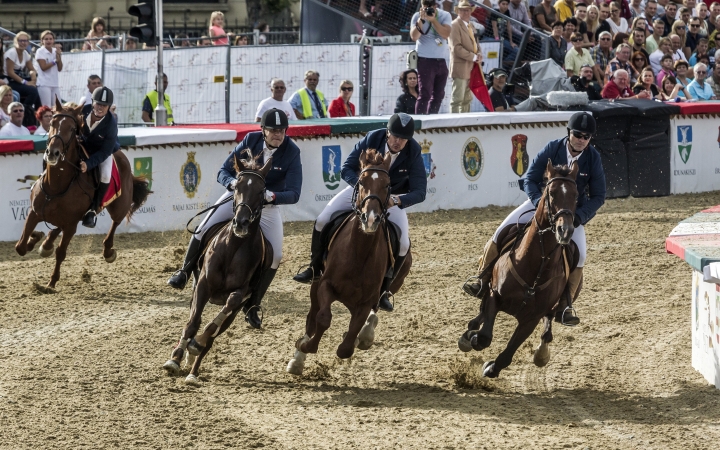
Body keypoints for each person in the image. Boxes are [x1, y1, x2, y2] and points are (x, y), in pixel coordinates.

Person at [463, 112, 606, 326]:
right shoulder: (552, 148)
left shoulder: (592, 158)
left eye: (586, 137)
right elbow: (530, 178)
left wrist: (579, 217)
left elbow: (598, 196)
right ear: (569, 133)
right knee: (500, 233)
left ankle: (566, 305)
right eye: (578, 134)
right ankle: (481, 279)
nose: (581, 140)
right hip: (541, 204)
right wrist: (541, 202)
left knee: (581, 255)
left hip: (569, 213)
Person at [167, 109, 301, 329]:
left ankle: (253, 305)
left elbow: (295, 193)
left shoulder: (291, 152)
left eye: (281, 130)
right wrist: (232, 184)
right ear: (263, 130)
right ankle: (184, 271)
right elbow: (223, 171)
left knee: (276, 255)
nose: (278, 134)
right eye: (273, 130)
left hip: (266, 205)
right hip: (237, 198)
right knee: (202, 228)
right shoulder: (250, 140)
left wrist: (272, 196)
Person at [292, 113, 426, 313]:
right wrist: (366, 190)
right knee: (322, 220)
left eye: (403, 138)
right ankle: (314, 267)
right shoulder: (373, 138)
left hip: (391, 198)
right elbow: (346, 168)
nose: (398, 142)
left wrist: (396, 200)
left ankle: (384, 290)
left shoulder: (413, 151)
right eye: (395, 136)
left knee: (404, 244)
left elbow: (420, 192)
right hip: (362, 190)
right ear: (387, 132)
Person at [78, 87, 119, 228]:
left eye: (104, 105)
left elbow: (104, 152)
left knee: (106, 175)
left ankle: (93, 210)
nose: (100, 108)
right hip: (82, 144)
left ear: (109, 107)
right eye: (98, 103)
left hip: (101, 151)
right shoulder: (83, 111)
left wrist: (88, 164)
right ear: (92, 102)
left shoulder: (111, 125)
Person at [410, 0, 452, 115]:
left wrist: (433, 20)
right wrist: (422, 20)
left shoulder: (444, 15)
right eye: (424, 7)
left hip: (441, 60)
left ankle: (432, 120)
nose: (427, 9)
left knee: (439, 95)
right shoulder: (417, 16)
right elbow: (414, 37)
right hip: (425, 60)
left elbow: (445, 34)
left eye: (430, 7)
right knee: (425, 94)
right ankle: (420, 121)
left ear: (435, 6)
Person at [449, 0, 482, 114]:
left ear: (471, 11)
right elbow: (456, 48)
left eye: (467, 10)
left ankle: (464, 123)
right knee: (457, 99)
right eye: (462, 10)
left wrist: (479, 53)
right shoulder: (454, 25)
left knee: (467, 99)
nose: (466, 12)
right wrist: (473, 57)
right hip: (461, 66)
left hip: (471, 66)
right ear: (458, 11)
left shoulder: (471, 25)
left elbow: (476, 43)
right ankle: (453, 125)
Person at [4, 32, 40, 112]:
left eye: (25, 41)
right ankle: (24, 112)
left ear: (28, 42)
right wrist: (25, 82)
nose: (23, 43)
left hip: (17, 79)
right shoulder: (12, 53)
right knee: (33, 91)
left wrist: (33, 79)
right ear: (16, 42)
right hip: (9, 81)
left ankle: (39, 114)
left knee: (37, 86)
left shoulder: (25, 53)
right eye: (20, 41)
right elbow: (10, 72)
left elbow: (32, 69)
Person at [35, 30, 63, 108]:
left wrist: (59, 57)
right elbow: (43, 67)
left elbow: (60, 68)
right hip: (44, 84)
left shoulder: (55, 51)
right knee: (47, 107)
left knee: (58, 107)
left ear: (53, 40)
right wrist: (54, 61)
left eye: (50, 39)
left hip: (54, 83)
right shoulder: (40, 51)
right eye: (46, 39)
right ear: (42, 41)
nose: (48, 41)